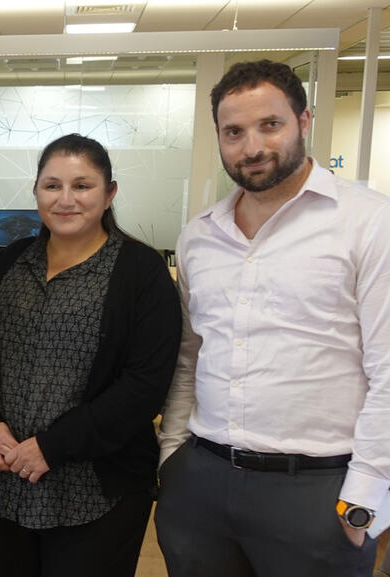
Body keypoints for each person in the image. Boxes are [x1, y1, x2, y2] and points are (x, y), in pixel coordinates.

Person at [156, 59, 390, 577]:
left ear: (304, 122)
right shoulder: (199, 236)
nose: (252, 147)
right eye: (233, 132)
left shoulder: (370, 223)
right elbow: (190, 356)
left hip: (319, 490)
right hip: (203, 482)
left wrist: (366, 500)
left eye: (270, 125)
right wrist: (173, 455)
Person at [0, 134, 181, 576]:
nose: (65, 199)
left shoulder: (141, 272)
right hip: (11, 479)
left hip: (98, 486)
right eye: (52, 185)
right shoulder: (11, 261)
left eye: (82, 186)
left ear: (109, 193)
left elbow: (145, 386)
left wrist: (52, 446)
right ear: (36, 191)